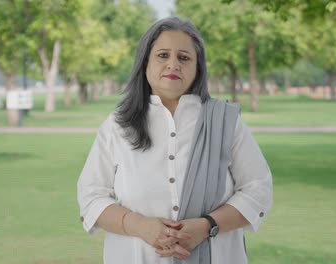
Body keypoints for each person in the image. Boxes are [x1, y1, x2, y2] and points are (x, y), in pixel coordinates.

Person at [77, 16, 273, 264]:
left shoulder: (225, 123)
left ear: (197, 67)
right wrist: (140, 226)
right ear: (145, 62)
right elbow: (91, 196)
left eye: (184, 57)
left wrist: (207, 226)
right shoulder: (118, 125)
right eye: (162, 55)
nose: (173, 64)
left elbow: (259, 189)